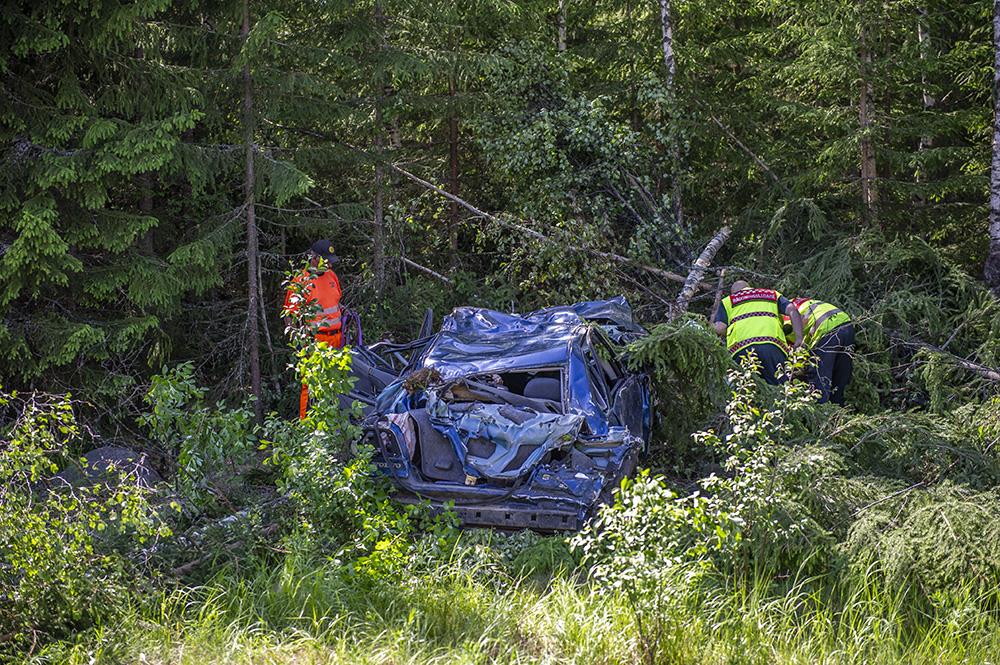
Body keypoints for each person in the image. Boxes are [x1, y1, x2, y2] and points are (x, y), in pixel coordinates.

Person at [283, 239, 344, 419]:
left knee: (335, 382)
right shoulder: (301, 282)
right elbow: (289, 315)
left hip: (337, 339)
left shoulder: (332, 276)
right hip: (315, 341)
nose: (330, 264)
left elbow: (335, 303)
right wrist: (299, 341)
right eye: (326, 260)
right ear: (314, 258)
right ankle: (306, 425)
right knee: (310, 385)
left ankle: (332, 423)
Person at [714, 280, 804, 384]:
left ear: (734, 292)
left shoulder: (728, 301)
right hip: (773, 347)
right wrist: (799, 339)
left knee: (743, 387)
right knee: (779, 387)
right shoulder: (772, 295)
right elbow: (792, 310)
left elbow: (720, 328)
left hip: (741, 350)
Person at [789, 297, 854, 405]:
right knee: (840, 376)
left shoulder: (784, 318)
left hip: (825, 327)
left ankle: (821, 411)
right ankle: (839, 409)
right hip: (845, 322)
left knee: (819, 377)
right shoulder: (795, 303)